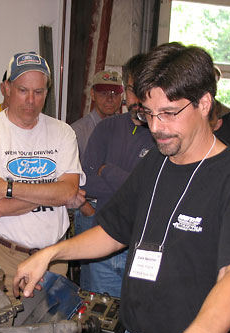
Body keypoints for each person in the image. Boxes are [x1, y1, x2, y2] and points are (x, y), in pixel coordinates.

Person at [13, 43, 230, 333]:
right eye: (148, 113)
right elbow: (113, 231)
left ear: (204, 103)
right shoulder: (156, 162)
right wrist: (51, 254)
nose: (157, 127)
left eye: (168, 113)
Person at [0, 52, 84, 292]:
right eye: (23, 90)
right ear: (7, 88)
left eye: (38, 92)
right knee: (4, 328)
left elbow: (68, 191)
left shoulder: (63, 132)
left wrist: (9, 188)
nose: (30, 100)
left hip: (55, 259)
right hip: (5, 257)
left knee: (52, 329)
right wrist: (55, 193)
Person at [76, 54, 156, 297]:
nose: (138, 98)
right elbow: (87, 181)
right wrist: (131, 181)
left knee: (138, 325)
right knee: (99, 322)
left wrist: (108, 169)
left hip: (144, 248)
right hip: (104, 242)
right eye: (133, 89)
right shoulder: (106, 128)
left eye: (145, 89)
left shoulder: (164, 133)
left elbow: (150, 190)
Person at [70, 69, 123, 160]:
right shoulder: (77, 133)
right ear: (93, 94)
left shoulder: (127, 128)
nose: (109, 99)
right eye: (103, 93)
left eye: (115, 94)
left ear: (122, 96)